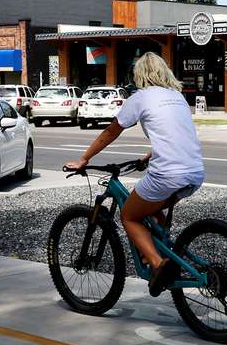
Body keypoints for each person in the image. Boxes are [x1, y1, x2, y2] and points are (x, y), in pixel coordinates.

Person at [63, 52, 205, 297]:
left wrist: (84, 158)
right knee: (152, 210)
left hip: (168, 174)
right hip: (194, 172)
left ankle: (159, 265)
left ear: (139, 75)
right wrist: (151, 154)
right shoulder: (177, 97)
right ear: (164, 72)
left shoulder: (140, 98)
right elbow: (176, 133)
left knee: (129, 214)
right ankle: (164, 256)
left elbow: (111, 131)